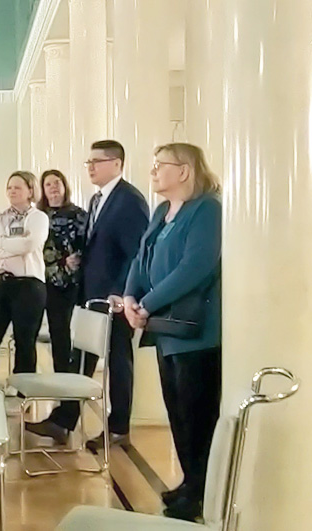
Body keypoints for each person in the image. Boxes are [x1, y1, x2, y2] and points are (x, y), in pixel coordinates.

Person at [121, 143, 221, 521]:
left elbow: (196, 266)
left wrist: (147, 304)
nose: (153, 171)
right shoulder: (162, 211)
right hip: (165, 329)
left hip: (195, 332)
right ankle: (189, 481)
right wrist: (130, 298)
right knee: (176, 411)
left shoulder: (206, 209)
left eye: (160, 165)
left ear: (183, 171)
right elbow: (140, 257)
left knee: (197, 415)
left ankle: (200, 491)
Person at [28, 140, 149, 449]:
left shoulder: (129, 200)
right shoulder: (98, 200)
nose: (91, 167)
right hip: (92, 295)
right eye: (89, 162)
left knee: (118, 361)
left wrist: (121, 292)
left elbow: (137, 254)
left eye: (98, 161)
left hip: (114, 299)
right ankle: (64, 421)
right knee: (81, 358)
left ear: (117, 164)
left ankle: (118, 427)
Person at [0, 171, 49, 387]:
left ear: (30, 191)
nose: (12, 191)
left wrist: (0, 242)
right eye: (9, 187)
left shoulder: (38, 217)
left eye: (18, 187)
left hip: (28, 286)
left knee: (24, 342)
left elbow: (29, 245)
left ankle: (23, 393)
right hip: (1, 285)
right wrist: (13, 245)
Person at [37, 170, 88, 388]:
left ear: (65, 186)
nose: (53, 187)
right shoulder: (37, 216)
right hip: (39, 280)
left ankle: (65, 384)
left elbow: (88, 243)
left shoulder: (79, 214)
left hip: (66, 283)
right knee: (32, 332)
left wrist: (77, 259)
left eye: (57, 183)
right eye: (48, 184)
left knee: (61, 332)